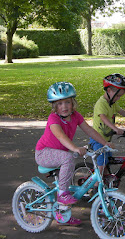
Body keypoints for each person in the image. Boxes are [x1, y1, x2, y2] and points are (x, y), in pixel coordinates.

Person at [35, 82, 112, 226]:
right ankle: (62, 194)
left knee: (67, 175)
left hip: (60, 154)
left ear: (73, 103)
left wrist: (104, 143)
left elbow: (89, 131)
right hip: (43, 153)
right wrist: (75, 148)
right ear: (54, 106)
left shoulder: (75, 116)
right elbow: (60, 136)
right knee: (68, 159)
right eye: (59, 104)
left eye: (67, 102)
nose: (64, 106)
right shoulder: (54, 118)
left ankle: (64, 214)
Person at [91, 73, 125, 185]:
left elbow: (122, 112)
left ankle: (105, 178)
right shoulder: (101, 103)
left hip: (106, 140)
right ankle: (96, 186)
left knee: (107, 160)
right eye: (118, 95)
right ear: (109, 90)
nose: (118, 98)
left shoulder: (112, 103)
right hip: (98, 139)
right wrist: (115, 128)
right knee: (102, 160)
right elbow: (103, 117)